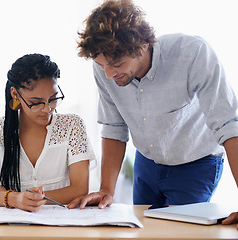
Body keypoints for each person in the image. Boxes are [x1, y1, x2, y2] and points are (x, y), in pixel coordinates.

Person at [67, 0, 238, 217]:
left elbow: (229, 126)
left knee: (180, 232)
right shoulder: (104, 67)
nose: (108, 74)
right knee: (144, 230)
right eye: (102, 65)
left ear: (143, 44)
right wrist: (106, 190)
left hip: (196, 163)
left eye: (117, 64)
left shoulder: (193, 54)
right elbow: (113, 127)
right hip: (147, 163)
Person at [0, 53, 95, 212]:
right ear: (15, 94)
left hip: (59, 227)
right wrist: (15, 199)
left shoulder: (72, 126)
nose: (48, 109)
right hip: (6, 231)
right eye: (36, 103)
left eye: (54, 98)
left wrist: (7, 195)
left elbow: (79, 189)